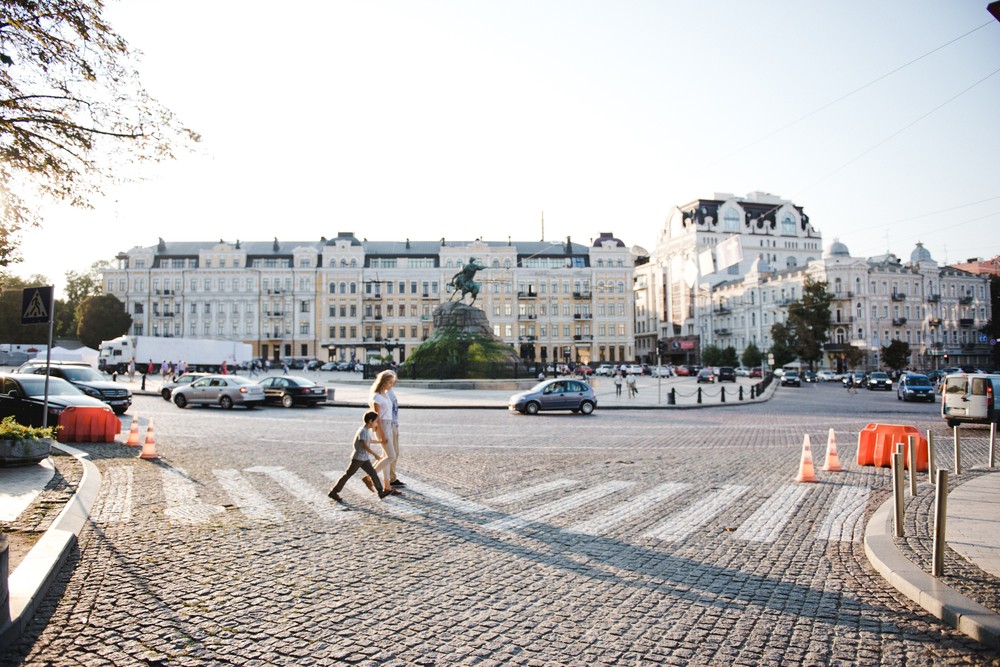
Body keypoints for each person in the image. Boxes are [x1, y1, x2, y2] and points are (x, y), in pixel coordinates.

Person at [328, 411, 390, 502]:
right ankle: (334, 491)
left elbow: (369, 441)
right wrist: (375, 455)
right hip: (358, 458)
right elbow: (365, 445)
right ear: (370, 421)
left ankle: (381, 492)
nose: (377, 424)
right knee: (348, 474)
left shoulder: (365, 430)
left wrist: (380, 442)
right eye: (376, 421)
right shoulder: (363, 431)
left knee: (373, 473)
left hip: (364, 458)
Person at [363, 369, 401, 495]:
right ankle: (369, 477)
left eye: (392, 383)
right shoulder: (376, 397)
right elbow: (377, 417)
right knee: (391, 456)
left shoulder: (385, 394)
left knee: (386, 457)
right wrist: (382, 434)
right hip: (382, 427)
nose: (391, 385)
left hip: (389, 425)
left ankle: (387, 487)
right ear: (383, 382)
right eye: (389, 382)